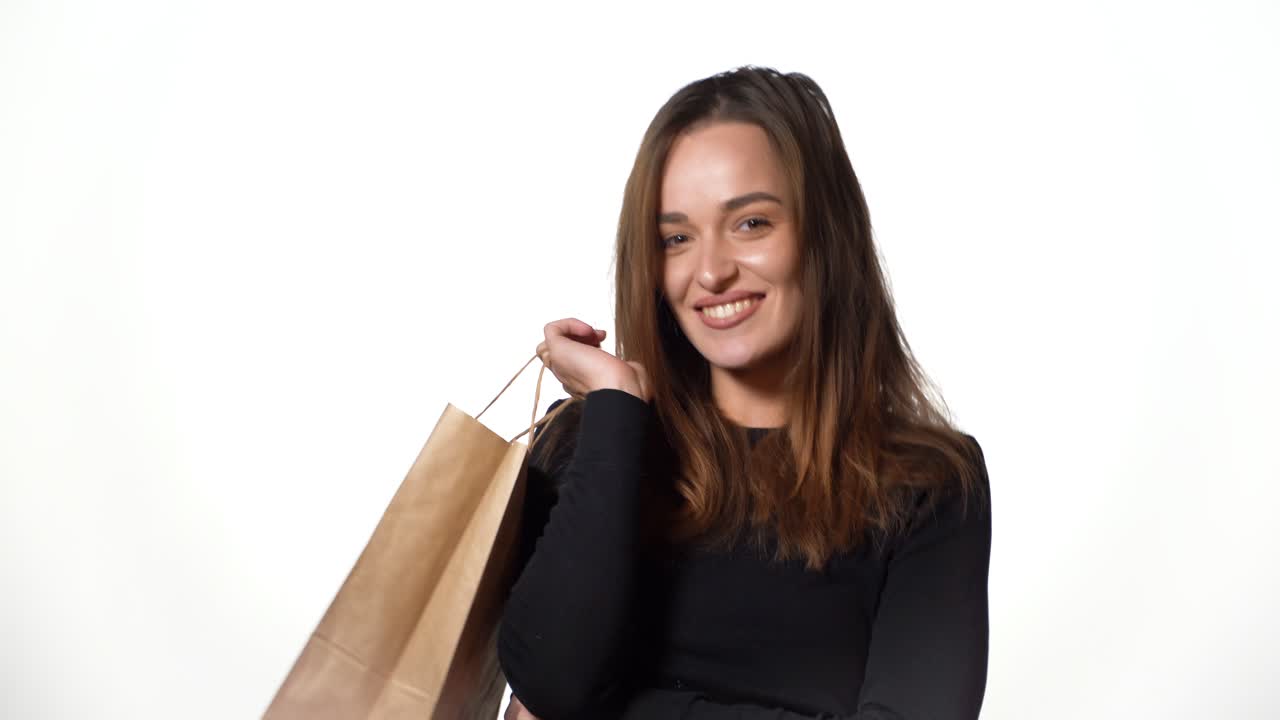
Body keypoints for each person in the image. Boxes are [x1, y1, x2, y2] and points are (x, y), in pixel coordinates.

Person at [497, 65, 992, 720]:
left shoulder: (929, 484)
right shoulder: (590, 446)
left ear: (823, 232)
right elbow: (547, 686)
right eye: (675, 238)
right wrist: (615, 410)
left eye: (751, 223)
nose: (711, 271)